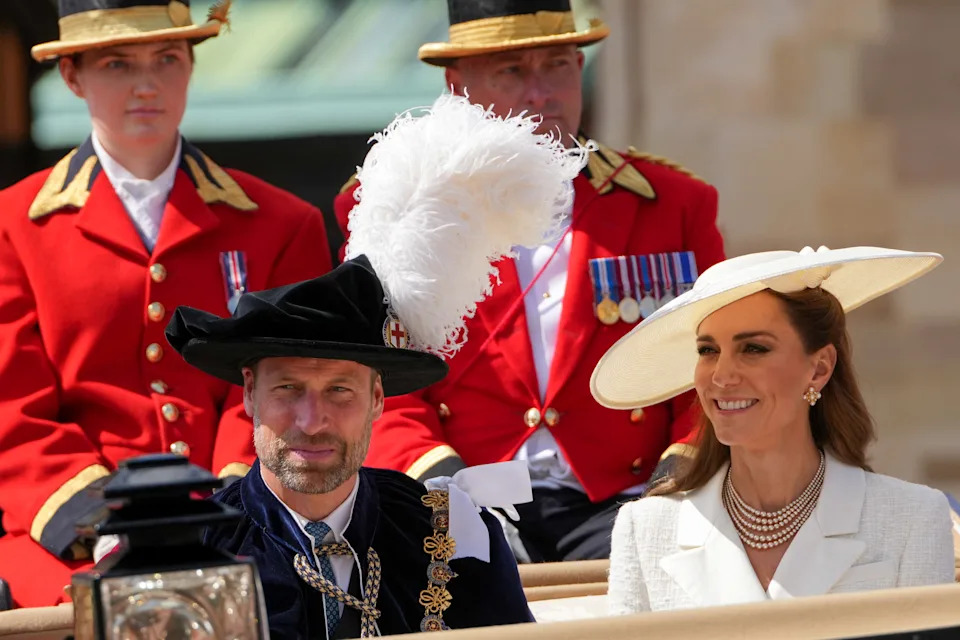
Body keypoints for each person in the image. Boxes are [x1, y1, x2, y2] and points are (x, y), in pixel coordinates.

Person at [167, 96, 586, 637]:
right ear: (249, 392)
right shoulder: (194, 554)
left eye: (340, 390)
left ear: (379, 399)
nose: (312, 419)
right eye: (288, 388)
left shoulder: (450, 532)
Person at [333, 0, 726, 563]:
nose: (541, 94)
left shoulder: (672, 204)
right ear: (456, 86)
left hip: (627, 501)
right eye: (512, 71)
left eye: (558, 65)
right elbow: (379, 383)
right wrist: (446, 492)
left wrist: (674, 482)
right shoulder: (396, 208)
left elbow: (711, 367)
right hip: (458, 498)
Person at [0, 0, 331, 608]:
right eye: (118, 63)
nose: (147, 84)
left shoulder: (283, 222)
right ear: (72, 76)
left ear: (191, 66)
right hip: (71, 541)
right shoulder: (11, 228)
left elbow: (288, 384)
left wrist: (231, 510)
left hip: (246, 522)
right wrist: (100, 524)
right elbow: (13, 413)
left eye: (168, 59)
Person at [592, 246, 956, 612]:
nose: (721, 376)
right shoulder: (645, 528)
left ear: (819, 368)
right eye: (708, 351)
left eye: (753, 348)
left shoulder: (913, 518)